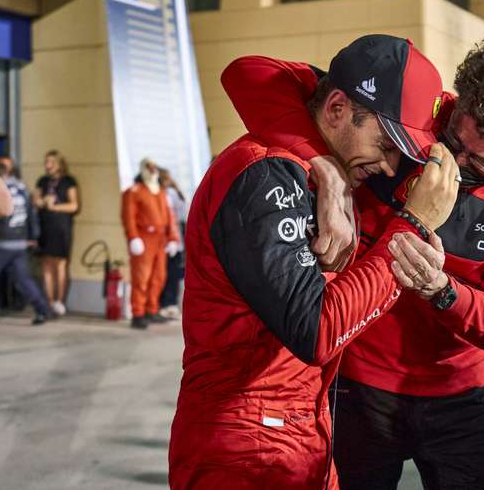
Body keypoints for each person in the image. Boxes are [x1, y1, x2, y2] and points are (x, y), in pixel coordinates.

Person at [223, 31, 484, 489]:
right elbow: (249, 74)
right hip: (356, 386)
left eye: (482, 165)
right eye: (453, 144)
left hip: (458, 394)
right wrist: (325, 167)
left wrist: (441, 290)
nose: (456, 165)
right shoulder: (421, 116)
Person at [169, 35, 460, 489]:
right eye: (384, 143)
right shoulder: (264, 173)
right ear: (338, 108)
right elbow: (317, 330)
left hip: (303, 430)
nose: (388, 165)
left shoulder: (323, 166)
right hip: (246, 446)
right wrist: (413, 226)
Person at [121, 158, 180, 330]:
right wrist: (133, 237)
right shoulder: (134, 191)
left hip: (160, 239)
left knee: (158, 276)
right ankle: (138, 313)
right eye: (149, 166)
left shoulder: (160, 190)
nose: (153, 169)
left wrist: (173, 238)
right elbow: (128, 216)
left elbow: (169, 215)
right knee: (141, 277)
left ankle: (151, 309)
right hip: (144, 237)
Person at [0, 160, 52, 325]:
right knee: (23, 279)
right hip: (20, 242)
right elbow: (31, 212)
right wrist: (33, 236)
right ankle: (43, 310)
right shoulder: (21, 188)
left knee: (22, 279)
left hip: (4, 242)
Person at [33, 150, 79, 317]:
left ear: (59, 164)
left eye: (51, 162)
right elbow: (35, 200)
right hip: (45, 226)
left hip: (61, 227)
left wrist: (55, 207)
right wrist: (41, 202)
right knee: (46, 265)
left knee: (60, 265)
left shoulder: (69, 181)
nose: (47, 165)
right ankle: (49, 301)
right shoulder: (42, 181)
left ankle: (60, 301)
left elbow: (74, 206)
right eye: (46, 162)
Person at [158, 168, 186, 320]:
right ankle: (169, 304)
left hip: (171, 240)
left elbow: (177, 216)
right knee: (171, 274)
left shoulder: (168, 193)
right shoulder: (173, 192)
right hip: (172, 240)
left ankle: (167, 304)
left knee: (170, 274)